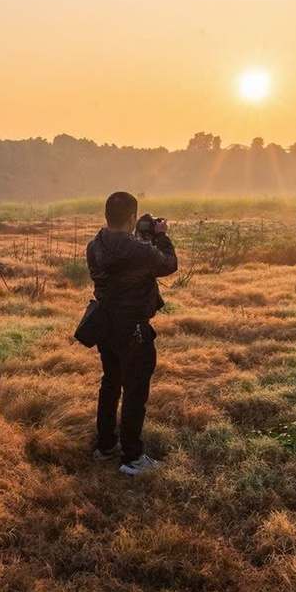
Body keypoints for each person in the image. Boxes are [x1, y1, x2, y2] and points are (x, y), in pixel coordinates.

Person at [85, 191, 177, 474]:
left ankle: (106, 445)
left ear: (106, 216)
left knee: (111, 382)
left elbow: (124, 263)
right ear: (132, 217)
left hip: (105, 323)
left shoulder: (94, 246)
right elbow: (168, 264)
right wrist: (160, 236)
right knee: (135, 392)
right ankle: (133, 458)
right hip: (134, 327)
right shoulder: (140, 251)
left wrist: (142, 239)